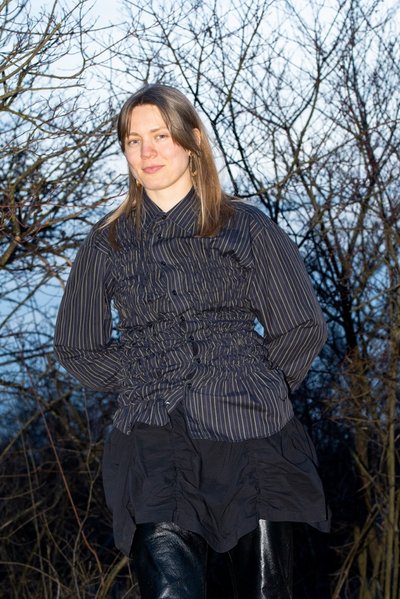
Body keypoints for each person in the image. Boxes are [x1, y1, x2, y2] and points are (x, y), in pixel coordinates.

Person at [54, 83, 330, 598]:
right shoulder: (106, 243)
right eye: (134, 140)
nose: (147, 151)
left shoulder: (245, 228)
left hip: (251, 435)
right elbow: (77, 347)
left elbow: (300, 326)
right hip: (156, 441)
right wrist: (140, 373)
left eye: (161, 135)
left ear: (193, 141)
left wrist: (260, 383)